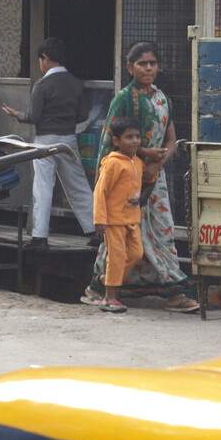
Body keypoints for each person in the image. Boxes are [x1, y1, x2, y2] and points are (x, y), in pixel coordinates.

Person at [88, 41, 193, 309]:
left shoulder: (162, 99)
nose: (148, 68)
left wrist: (158, 164)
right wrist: (143, 154)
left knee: (161, 232)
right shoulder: (124, 98)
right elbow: (111, 139)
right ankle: (101, 287)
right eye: (142, 63)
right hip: (126, 180)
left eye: (152, 63)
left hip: (154, 181)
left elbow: (172, 139)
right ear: (129, 67)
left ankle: (172, 292)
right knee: (120, 234)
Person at [0, 36, 96, 246]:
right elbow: (82, 115)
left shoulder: (42, 86)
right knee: (78, 186)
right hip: (68, 139)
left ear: (45, 58)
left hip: (44, 141)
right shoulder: (76, 84)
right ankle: (94, 230)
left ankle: (40, 236)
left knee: (43, 187)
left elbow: (34, 117)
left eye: (40, 59)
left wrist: (17, 114)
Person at [90, 118, 148, 314]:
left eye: (137, 137)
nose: (134, 141)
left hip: (131, 219)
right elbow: (101, 191)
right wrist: (99, 219)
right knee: (116, 256)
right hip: (114, 220)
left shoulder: (138, 163)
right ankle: (110, 297)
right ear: (116, 141)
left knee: (136, 254)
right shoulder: (113, 163)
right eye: (129, 137)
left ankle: (107, 281)